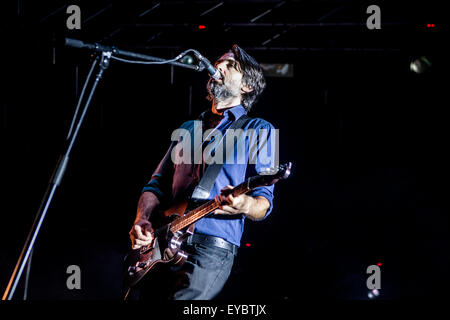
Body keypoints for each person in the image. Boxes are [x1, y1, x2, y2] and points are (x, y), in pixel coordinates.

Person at [128, 44, 277, 300]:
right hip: (161, 244)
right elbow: (154, 186)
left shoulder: (259, 129)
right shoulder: (188, 128)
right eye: (219, 61)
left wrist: (243, 203)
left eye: (231, 65)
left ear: (247, 86)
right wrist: (142, 219)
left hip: (210, 250)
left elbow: (263, 202)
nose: (218, 66)